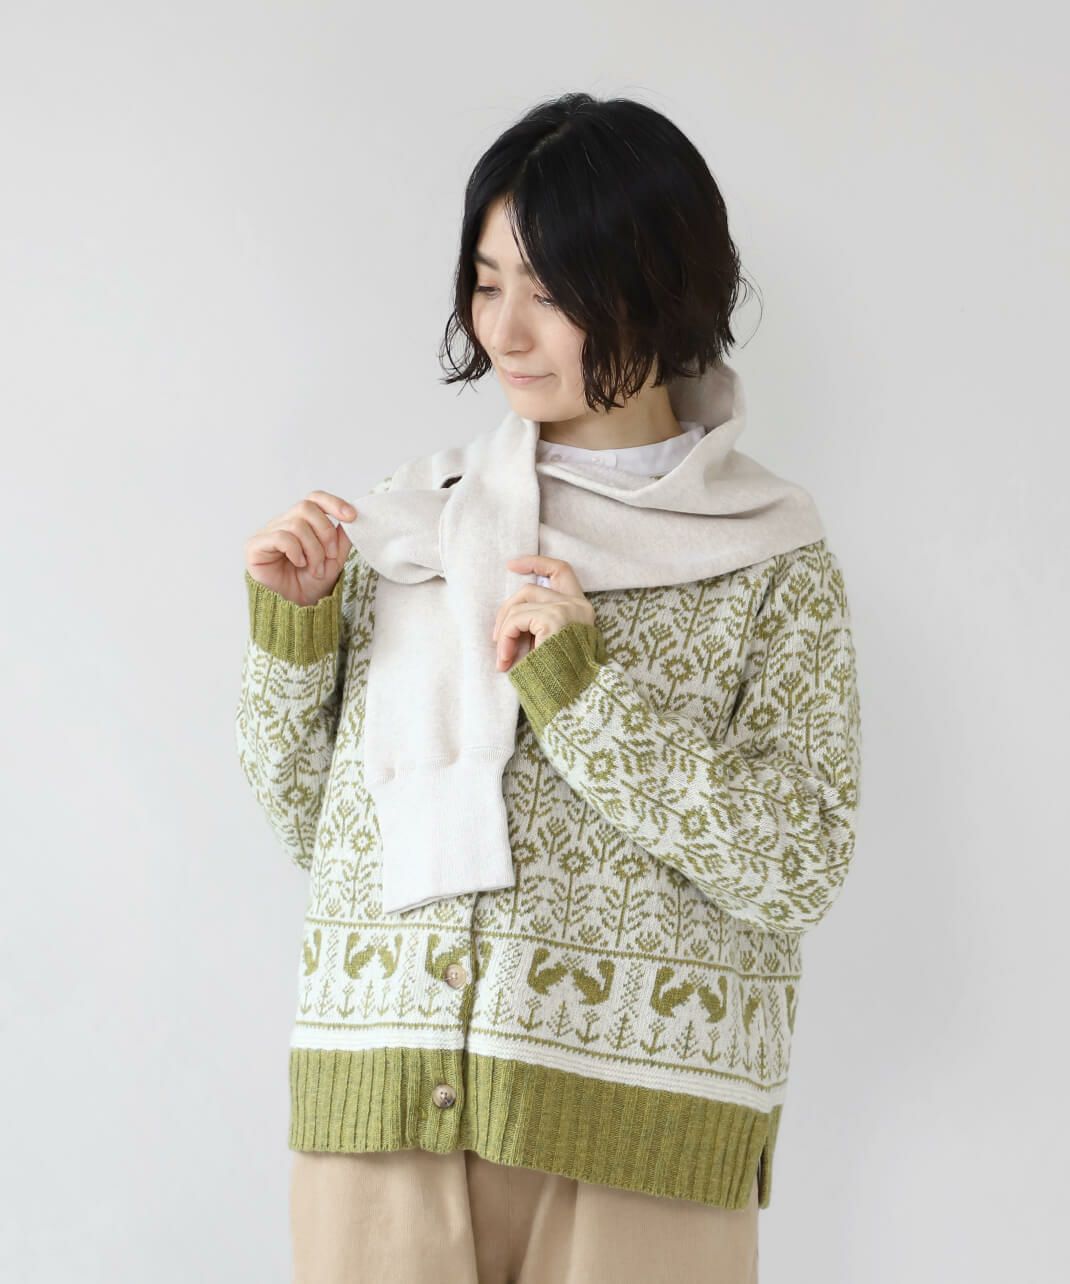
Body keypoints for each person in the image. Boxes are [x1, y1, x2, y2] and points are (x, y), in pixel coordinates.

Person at [236, 91, 863, 1284]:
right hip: (381, 1132)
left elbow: (798, 863)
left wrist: (584, 699)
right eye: (486, 286)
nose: (507, 333)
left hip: (640, 1147)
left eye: (552, 291)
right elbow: (310, 826)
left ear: (660, 285)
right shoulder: (417, 524)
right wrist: (296, 637)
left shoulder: (766, 558)